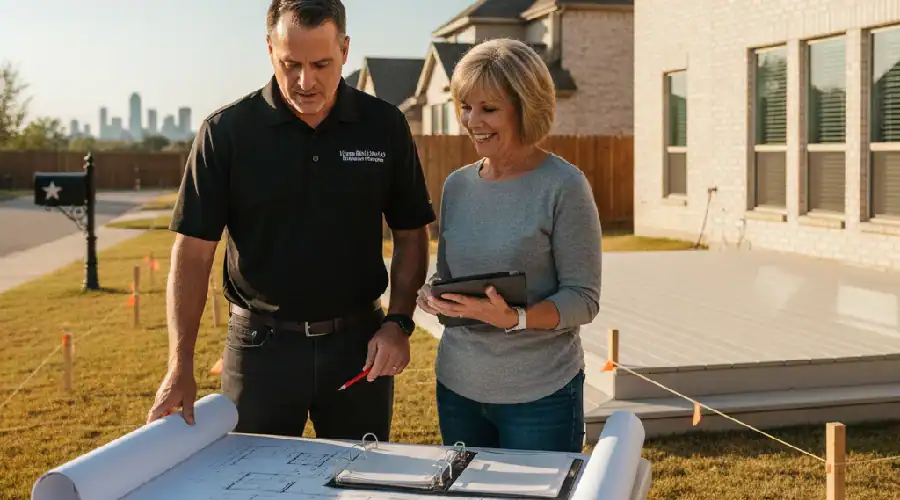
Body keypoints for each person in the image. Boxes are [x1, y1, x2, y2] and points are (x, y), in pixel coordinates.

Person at [146, 0, 435, 443]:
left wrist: (398, 323)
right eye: (290, 64)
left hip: (358, 346)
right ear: (269, 49)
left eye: (321, 63)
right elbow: (192, 254)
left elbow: (412, 235)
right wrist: (179, 366)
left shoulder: (384, 126)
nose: (305, 81)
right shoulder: (226, 133)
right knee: (251, 484)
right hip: (259, 352)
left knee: (358, 480)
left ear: (345, 49)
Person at [416, 38, 602, 453]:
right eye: (466, 106)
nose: (472, 120)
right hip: (457, 387)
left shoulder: (564, 186)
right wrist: (433, 293)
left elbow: (583, 299)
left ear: (526, 107)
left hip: (541, 396)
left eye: (489, 108)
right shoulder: (456, 186)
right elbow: (449, 274)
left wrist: (513, 318)